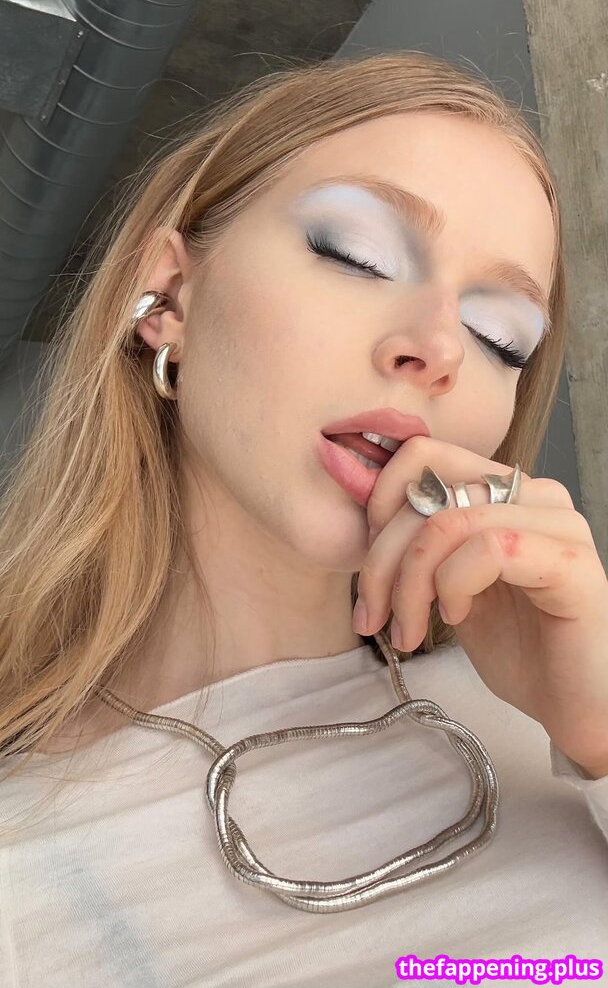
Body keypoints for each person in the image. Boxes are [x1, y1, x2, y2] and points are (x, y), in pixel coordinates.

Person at [0, 51, 606, 987]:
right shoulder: (24, 842)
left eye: (500, 337)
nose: (440, 349)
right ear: (170, 295)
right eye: (356, 253)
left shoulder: (564, 726)